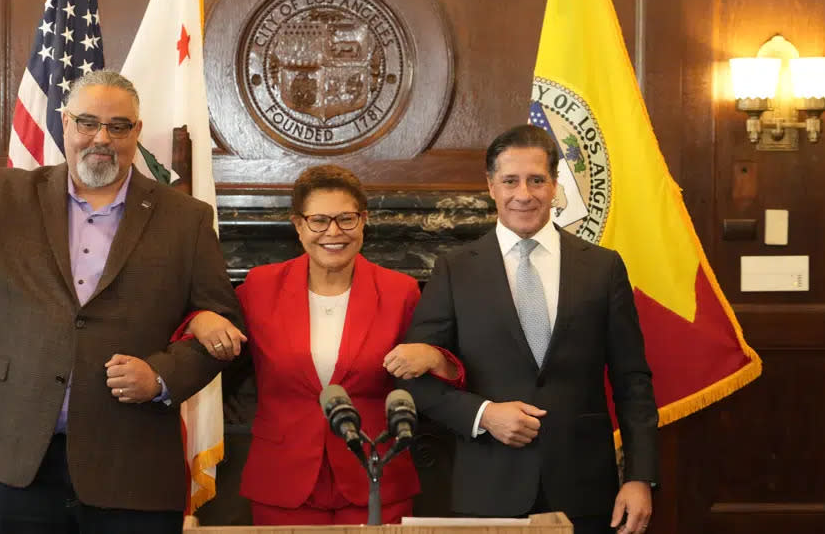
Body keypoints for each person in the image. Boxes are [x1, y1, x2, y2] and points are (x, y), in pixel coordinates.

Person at [0, 69, 243, 534]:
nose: (101, 138)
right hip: (19, 455)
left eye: (117, 126)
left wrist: (160, 376)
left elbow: (224, 324)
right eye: (88, 122)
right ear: (65, 124)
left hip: (132, 464)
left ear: (136, 132)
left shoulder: (185, 218)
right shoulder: (5, 195)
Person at [399, 124, 658, 534]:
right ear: (491, 186)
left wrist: (640, 477)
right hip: (487, 488)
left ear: (555, 186)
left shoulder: (603, 268)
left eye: (537, 180)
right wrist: (484, 415)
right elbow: (417, 379)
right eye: (510, 181)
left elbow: (633, 380)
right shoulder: (454, 270)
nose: (524, 194)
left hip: (586, 490)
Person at [186, 164, 461, 525]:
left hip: (375, 478)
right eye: (318, 220)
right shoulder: (260, 287)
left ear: (363, 221)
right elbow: (208, 333)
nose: (333, 232)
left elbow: (447, 365)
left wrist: (433, 358)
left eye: (346, 219)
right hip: (283, 481)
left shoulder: (401, 292)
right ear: (298, 225)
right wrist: (199, 319)